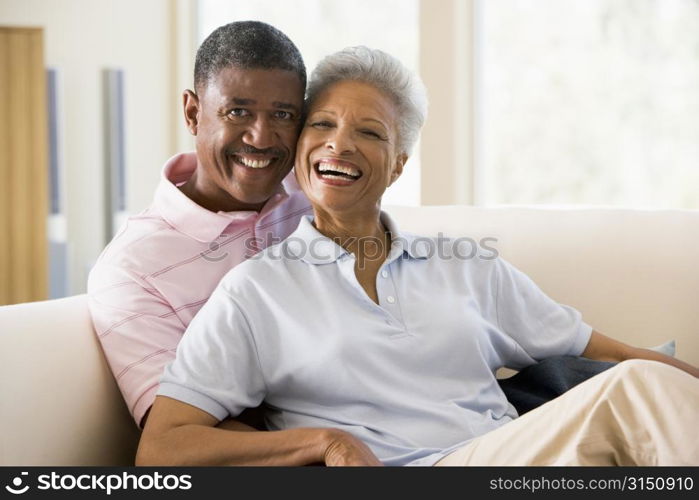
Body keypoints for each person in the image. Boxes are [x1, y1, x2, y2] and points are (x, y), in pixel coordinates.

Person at [135, 46, 699, 466]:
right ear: (302, 146)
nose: (339, 144)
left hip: (507, 460)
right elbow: (164, 445)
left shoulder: (466, 264)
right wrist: (324, 441)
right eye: (323, 125)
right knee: (638, 388)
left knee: (643, 381)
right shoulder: (256, 290)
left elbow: (611, 355)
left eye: (370, 133)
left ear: (398, 163)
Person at [87, 21, 312, 430]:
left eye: (282, 114)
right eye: (238, 111)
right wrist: (329, 448)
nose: (261, 137)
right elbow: (183, 435)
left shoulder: (316, 195)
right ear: (193, 112)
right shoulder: (130, 269)